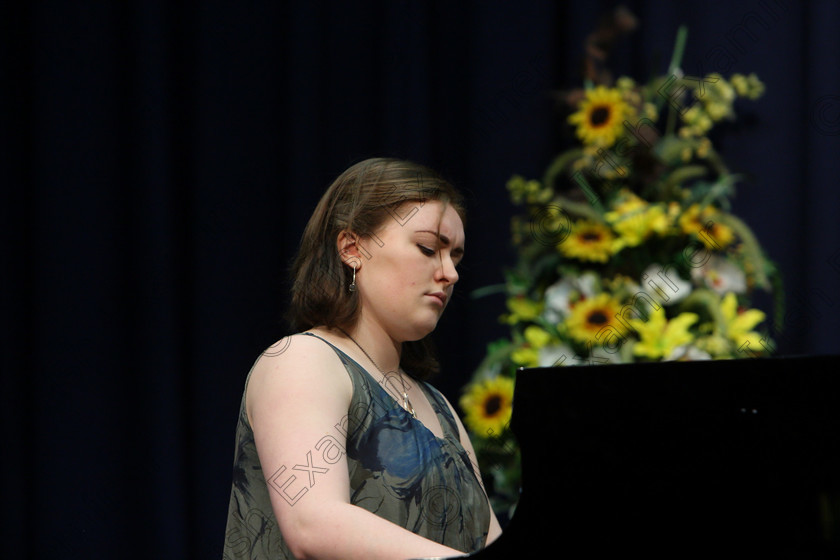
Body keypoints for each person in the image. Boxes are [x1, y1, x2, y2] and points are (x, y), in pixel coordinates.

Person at [223, 157, 503, 560]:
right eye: (428, 249)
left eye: (455, 257)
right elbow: (313, 523)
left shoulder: (440, 408)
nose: (450, 273)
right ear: (352, 248)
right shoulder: (301, 359)